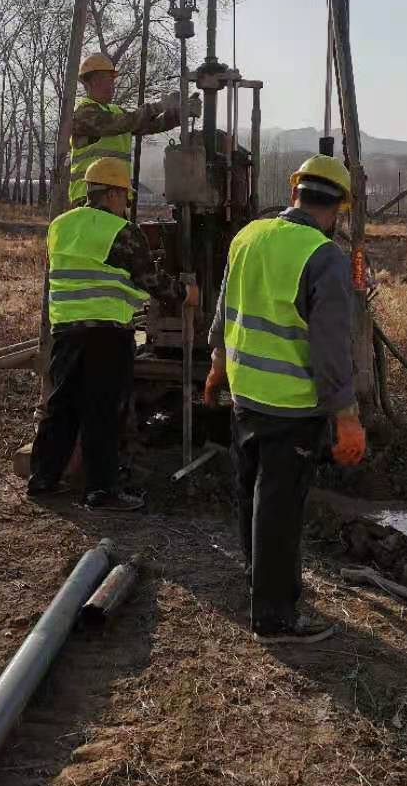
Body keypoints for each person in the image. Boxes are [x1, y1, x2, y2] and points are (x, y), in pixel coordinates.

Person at [203, 154, 366, 644]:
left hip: (246, 393)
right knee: (278, 507)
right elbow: (331, 348)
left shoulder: (248, 236)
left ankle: (260, 581)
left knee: (252, 492)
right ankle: (273, 618)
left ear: (295, 192)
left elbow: (224, 308)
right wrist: (347, 416)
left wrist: (216, 367)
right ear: (337, 208)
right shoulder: (325, 257)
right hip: (292, 406)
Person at [26, 156, 198, 512]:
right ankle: (101, 491)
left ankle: (42, 479)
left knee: (61, 407)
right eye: (126, 197)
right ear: (115, 194)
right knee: (102, 411)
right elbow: (149, 280)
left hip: (67, 330)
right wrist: (185, 294)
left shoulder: (60, 226)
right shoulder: (121, 231)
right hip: (107, 333)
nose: (126, 204)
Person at [69, 52, 200, 205]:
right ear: (88, 83)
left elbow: (151, 125)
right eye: (103, 79)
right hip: (90, 196)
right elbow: (124, 122)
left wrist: (180, 114)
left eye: (111, 79)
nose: (110, 85)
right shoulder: (83, 113)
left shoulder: (116, 112)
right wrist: (159, 106)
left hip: (116, 195)